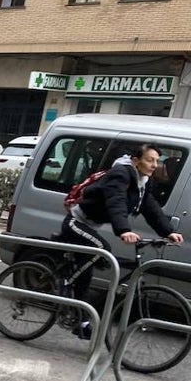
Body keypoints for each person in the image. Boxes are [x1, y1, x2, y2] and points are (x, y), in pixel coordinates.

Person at [58, 143, 183, 338]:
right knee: (101, 248)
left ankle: (81, 321)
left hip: (90, 226)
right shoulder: (121, 174)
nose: (154, 165)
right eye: (150, 160)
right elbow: (115, 201)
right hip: (76, 222)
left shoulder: (143, 181)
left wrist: (168, 232)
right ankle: (66, 282)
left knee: (88, 272)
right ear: (136, 161)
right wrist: (124, 230)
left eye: (157, 161)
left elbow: (151, 209)